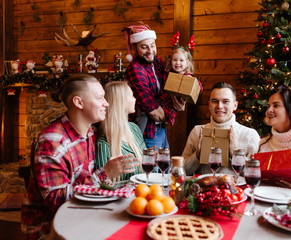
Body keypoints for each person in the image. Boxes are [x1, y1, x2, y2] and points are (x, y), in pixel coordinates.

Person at [21, 74, 140, 239]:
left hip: (82, 215)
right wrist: (105, 174)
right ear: (78, 102)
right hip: (50, 228)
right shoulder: (52, 142)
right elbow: (55, 201)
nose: (106, 103)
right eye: (99, 98)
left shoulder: (91, 132)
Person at [123, 24, 185, 149]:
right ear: (135, 48)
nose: (150, 51)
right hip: (148, 131)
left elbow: (174, 79)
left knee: (164, 166)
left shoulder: (158, 62)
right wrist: (172, 112)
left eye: (152, 46)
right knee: (153, 167)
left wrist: (180, 99)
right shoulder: (135, 69)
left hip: (162, 128)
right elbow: (151, 109)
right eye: (144, 47)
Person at [182, 82, 260, 175]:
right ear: (209, 105)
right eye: (215, 101)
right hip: (204, 187)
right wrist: (197, 156)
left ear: (235, 105)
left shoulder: (250, 135)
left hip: (238, 189)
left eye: (225, 101)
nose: (219, 106)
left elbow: (255, 174)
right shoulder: (197, 131)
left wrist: (235, 156)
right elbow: (182, 172)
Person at [96, 81, 146, 181]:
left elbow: (147, 168)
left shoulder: (134, 129)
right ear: (121, 101)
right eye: (131, 96)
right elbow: (103, 184)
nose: (135, 99)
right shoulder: (104, 144)